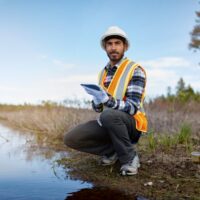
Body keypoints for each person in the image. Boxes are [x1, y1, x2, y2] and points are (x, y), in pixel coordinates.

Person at [64, 26, 148, 176]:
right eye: (109, 44)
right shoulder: (103, 73)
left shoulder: (135, 69)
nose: (113, 47)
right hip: (109, 121)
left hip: (132, 124)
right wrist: (97, 100)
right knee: (71, 138)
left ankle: (130, 158)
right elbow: (100, 109)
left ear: (125, 47)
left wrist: (107, 101)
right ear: (105, 48)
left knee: (109, 115)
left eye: (117, 43)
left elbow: (133, 107)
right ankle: (113, 151)